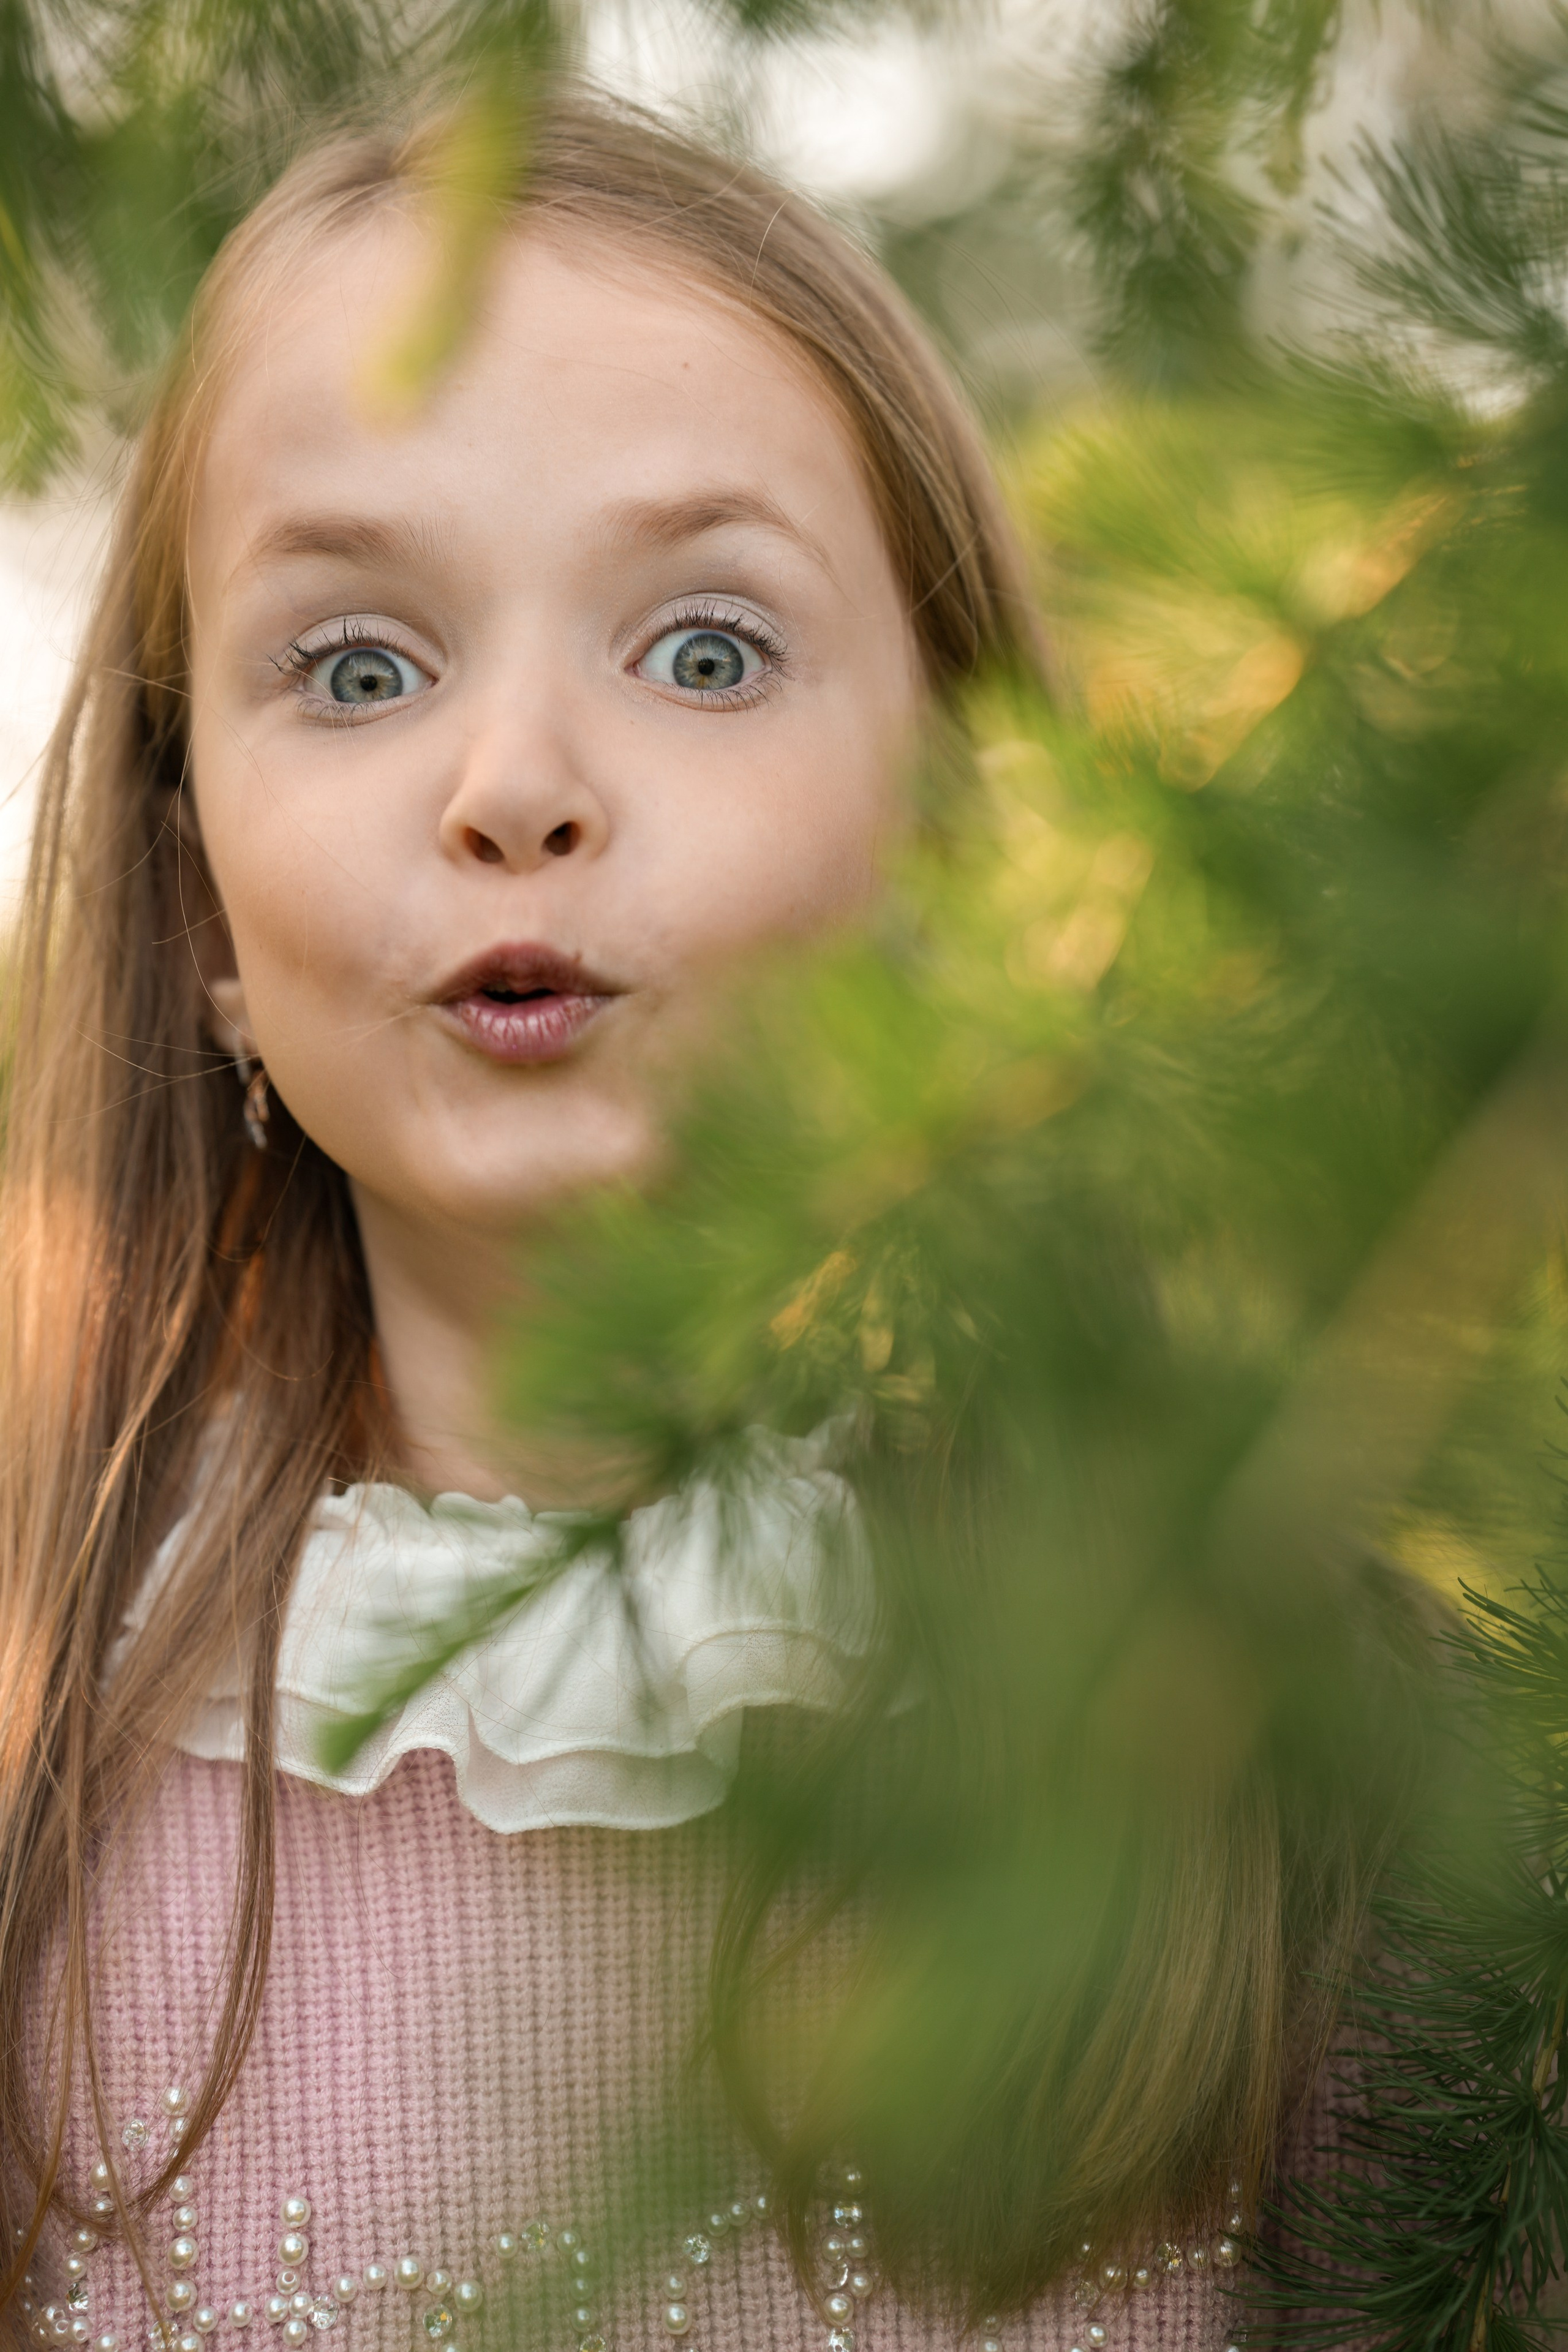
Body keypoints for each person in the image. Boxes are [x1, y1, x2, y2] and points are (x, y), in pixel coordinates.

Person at [0, 85, 1397, 2352]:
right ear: (194, 921)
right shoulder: (36, 1773)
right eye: (361, 667)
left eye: (707, 651)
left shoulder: (1290, 1763)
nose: (519, 787)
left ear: (967, 840)